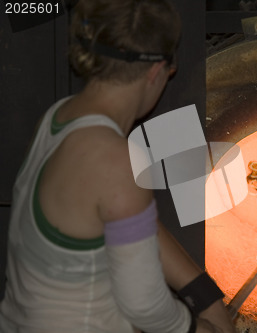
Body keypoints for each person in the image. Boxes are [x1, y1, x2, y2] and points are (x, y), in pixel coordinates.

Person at [0, 1, 236, 332]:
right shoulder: (114, 159)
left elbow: (137, 225)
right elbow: (145, 307)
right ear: (156, 72)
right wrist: (201, 329)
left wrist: (205, 295)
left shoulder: (59, 117)